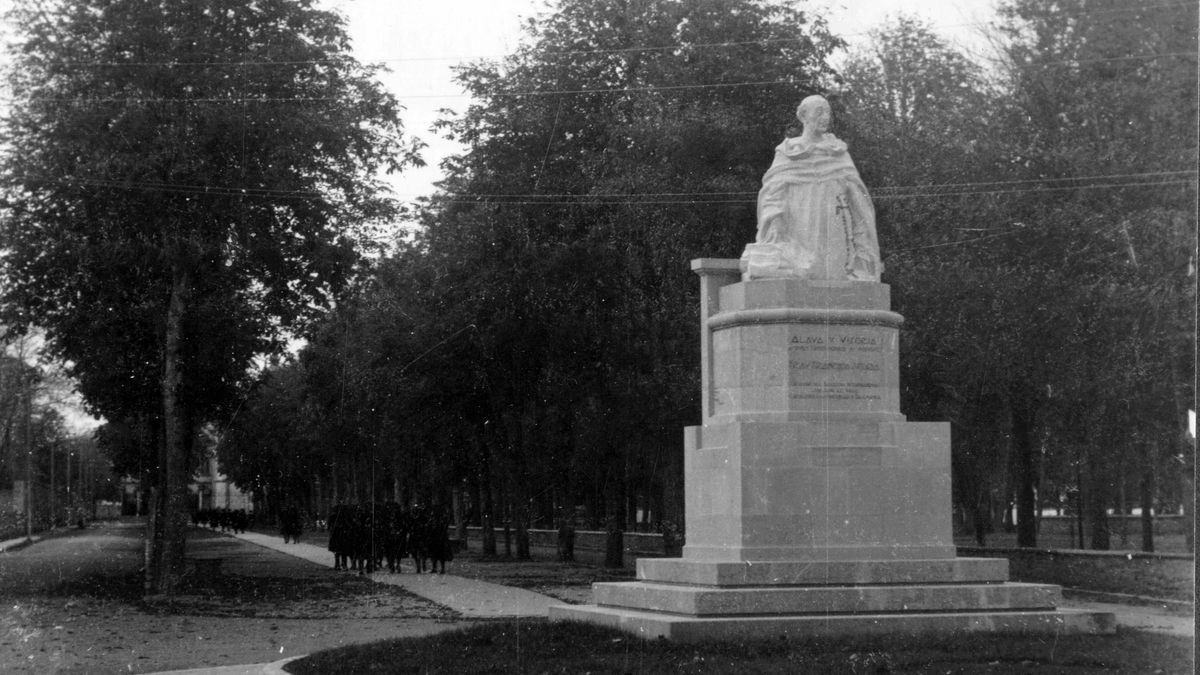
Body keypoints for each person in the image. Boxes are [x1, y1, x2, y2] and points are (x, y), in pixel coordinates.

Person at [741, 95, 882, 281]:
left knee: (832, 275)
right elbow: (773, 193)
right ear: (804, 116)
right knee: (802, 268)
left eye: (828, 113)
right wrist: (775, 222)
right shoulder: (788, 151)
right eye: (819, 112)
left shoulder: (837, 152)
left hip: (833, 226)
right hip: (798, 226)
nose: (825, 118)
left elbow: (858, 197)